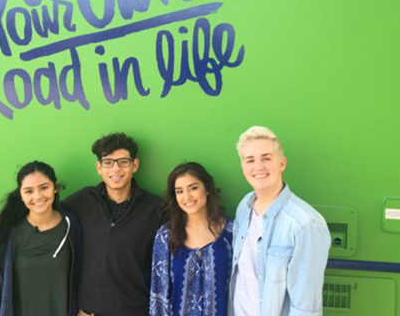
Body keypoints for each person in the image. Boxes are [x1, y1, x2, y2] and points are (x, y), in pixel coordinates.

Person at [229, 126, 331, 316]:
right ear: (243, 167)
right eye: (250, 160)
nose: (258, 166)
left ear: (282, 163)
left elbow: (306, 307)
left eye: (266, 158)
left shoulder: (305, 224)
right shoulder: (245, 206)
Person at [63, 132, 163, 316]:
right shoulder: (82, 202)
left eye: (123, 161)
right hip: (89, 312)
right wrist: (4, 223)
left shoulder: (156, 209)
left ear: (135, 165)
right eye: (108, 162)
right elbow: (43, 212)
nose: (115, 169)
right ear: (99, 167)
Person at [0, 161, 82, 316]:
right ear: (21, 195)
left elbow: (82, 273)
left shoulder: (71, 225)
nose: (37, 196)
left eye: (44, 187)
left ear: (54, 188)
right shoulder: (8, 232)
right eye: (29, 191)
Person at [150, 162, 233, 316]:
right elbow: (158, 294)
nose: (186, 197)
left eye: (193, 188)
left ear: (207, 189)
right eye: (179, 191)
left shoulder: (232, 233)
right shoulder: (166, 236)